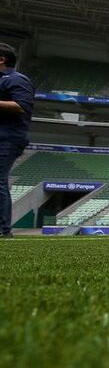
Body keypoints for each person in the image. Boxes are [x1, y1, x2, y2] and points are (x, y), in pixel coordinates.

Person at [0, 43, 33, 239]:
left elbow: (21, 106)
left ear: (2, 59)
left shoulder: (17, 79)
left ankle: (3, 230)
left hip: (7, 137)